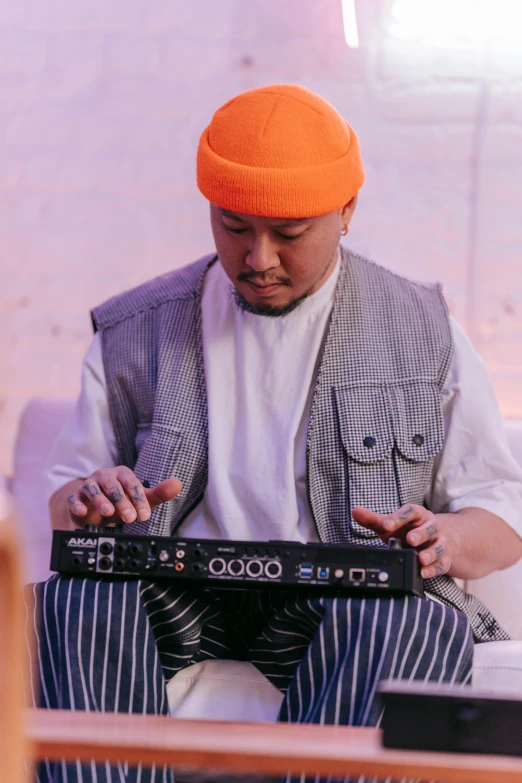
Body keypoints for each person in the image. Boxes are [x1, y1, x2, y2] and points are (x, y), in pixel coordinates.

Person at [29, 84, 522, 783]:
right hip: (175, 589)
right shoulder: (135, 327)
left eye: (288, 234)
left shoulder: (422, 328)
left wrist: (448, 537)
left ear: (347, 210)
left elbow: (501, 509)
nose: (257, 257)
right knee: (73, 599)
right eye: (233, 227)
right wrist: (90, 497)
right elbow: (62, 505)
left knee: (412, 622)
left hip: (342, 595)